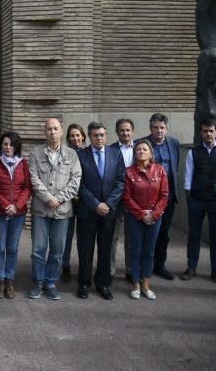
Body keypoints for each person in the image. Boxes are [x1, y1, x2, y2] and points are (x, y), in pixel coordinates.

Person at [29, 119, 81, 300]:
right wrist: (48, 198)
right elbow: (33, 179)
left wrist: (58, 199)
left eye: (55, 129)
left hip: (63, 210)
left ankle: (50, 282)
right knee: (38, 249)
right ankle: (38, 282)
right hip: (41, 210)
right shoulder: (35, 153)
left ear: (61, 131)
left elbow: (76, 180)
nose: (52, 132)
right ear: (45, 132)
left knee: (58, 250)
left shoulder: (72, 154)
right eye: (49, 129)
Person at [76, 122, 125, 300]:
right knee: (85, 249)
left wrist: (108, 204)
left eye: (102, 135)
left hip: (108, 212)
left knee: (105, 249)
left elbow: (120, 181)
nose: (99, 138)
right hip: (87, 210)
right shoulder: (81, 155)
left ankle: (103, 283)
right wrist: (95, 204)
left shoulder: (115, 153)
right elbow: (79, 185)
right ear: (89, 137)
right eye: (96, 135)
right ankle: (83, 282)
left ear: (106, 135)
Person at [0, 131, 32, 299]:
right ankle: (0, 280)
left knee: (12, 248)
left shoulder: (23, 163)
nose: (8, 147)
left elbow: (27, 187)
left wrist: (16, 206)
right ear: (0, 146)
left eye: (11, 144)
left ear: (16, 146)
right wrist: (5, 205)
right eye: (5, 144)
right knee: (0, 247)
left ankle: (9, 281)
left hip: (18, 213)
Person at [180, 118, 216, 285]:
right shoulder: (194, 152)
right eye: (205, 131)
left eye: (211, 131)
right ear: (201, 133)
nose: (208, 134)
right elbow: (187, 178)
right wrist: (190, 198)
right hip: (197, 199)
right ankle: (191, 267)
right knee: (194, 235)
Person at [122, 140, 169, 300]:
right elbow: (127, 198)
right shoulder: (129, 172)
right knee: (135, 250)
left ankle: (146, 284)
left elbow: (164, 195)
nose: (141, 151)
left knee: (149, 251)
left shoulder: (160, 170)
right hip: (135, 218)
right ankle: (135, 283)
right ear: (135, 153)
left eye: (145, 149)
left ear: (150, 153)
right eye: (138, 149)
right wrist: (142, 214)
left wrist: (154, 214)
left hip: (155, 218)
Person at [139, 113, 181, 280]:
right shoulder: (142, 144)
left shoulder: (174, 143)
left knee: (164, 233)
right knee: (146, 234)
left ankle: (159, 265)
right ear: (150, 128)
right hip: (147, 199)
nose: (159, 131)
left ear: (167, 128)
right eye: (155, 128)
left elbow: (175, 168)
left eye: (162, 128)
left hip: (167, 198)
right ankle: (143, 266)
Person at [110, 118, 135, 282]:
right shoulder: (110, 149)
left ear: (132, 131)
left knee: (132, 237)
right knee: (112, 237)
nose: (125, 133)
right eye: (122, 130)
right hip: (116, 199)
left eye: (128, 130)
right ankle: (110, 270)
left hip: (135, 199)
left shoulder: (141, 148)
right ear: (117, 132)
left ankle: (131, 270)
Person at [62, 124, 86, 283]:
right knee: (67, 235)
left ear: (83, 136)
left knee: (84, 236)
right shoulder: (65, 154)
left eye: (78, 135)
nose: (75, 138)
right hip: (68, 200)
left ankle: (84, 267)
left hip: (85, 201)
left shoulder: (89, 153)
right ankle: (65, 266)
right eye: (72, 136)